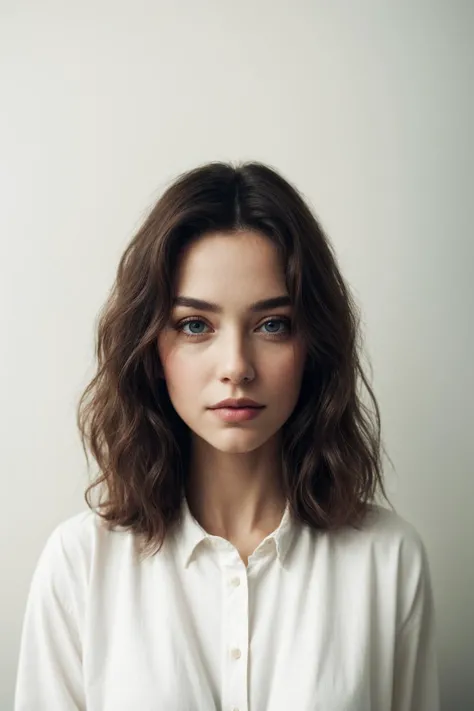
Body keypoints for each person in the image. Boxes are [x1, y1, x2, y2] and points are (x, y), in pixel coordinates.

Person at [14, 161, 440, 710]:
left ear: (313, 347)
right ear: (151, 350)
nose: (236, 366)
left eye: (272, 324)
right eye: (196, 325)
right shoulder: (80, 565)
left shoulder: (388, 560)